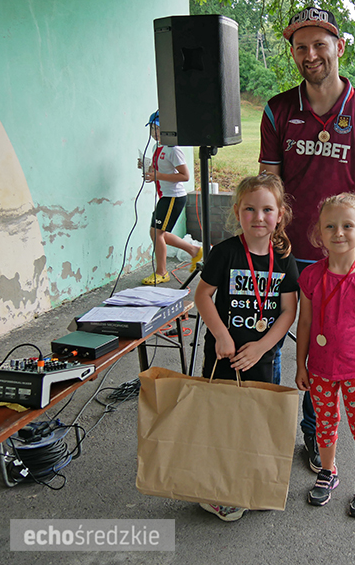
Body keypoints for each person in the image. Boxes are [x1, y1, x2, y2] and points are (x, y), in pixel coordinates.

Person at [258, 6, 355, 474]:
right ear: (292, 51)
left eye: (320, 44)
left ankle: (315, 438)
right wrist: (264, 239)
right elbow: (268, 184)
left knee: (327, 350)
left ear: (339, 47)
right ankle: (267, 434)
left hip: (336, 259)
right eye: (300, 46)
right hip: (287, 253)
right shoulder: (277, 110)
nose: (310, 54)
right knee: (270, 342)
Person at [193, 174, 299, 522]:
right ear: (237, 211)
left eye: (267, 209)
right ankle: (218, 491)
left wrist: (263, 346)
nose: (258, 216)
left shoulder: (283, 257)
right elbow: (202, 295)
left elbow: (288, 311)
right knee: (224, 423)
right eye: (250, 209)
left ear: (280, 214)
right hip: (224, 356)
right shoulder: (224, 252)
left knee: (257, 422)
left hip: (263, 358)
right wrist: (222, 335)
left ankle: (254, 485)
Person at [295, 193, 355, 518]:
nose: (338, 232)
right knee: (325, 424)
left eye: (347, 225)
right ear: (318, 234)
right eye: (330, 226)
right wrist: (300, 364)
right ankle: (328, 471)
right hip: (319, 370)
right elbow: (304, 323)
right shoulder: (309, 277)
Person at [139, 111, 202, 284]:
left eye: (158, 129)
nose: (154, 133)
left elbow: (185, 176)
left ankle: (161, 272)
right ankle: (194, 251)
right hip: (164, 196)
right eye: (152, 129)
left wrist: (158, 176)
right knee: (158, 233)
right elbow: (156, 171)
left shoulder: (173, 150)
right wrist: (146, 167)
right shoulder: (156, 147)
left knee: (157, 233)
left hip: (174, 197)